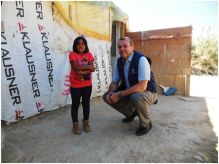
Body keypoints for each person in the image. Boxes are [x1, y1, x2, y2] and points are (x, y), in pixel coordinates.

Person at [103, 37, 157, 136]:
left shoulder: (141, 60)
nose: (122, 49)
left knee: (136, 97)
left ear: (132, 47)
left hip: (148, 92)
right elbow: (114, 82)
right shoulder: (119, 61)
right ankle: (132, 113)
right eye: (119, 47)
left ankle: (146, 124)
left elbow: (142, 86)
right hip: (130, 91)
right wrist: (110, 93)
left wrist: (119, 95)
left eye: (125, 46)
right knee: (107, 97)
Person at [69, 36, 95, 135]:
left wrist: (81, 71)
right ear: (75, 45)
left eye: (83, 43)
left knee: (86, 104)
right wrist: (88, 67)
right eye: (78, 44)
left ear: (86, 45)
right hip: (75, 85)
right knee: (75, 105)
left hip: (87, 85)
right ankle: (75, 125)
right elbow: (75, 67)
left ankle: (86, 122)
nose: (81, 45)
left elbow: (92, 68)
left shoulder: (89, 55)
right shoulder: (72, 54)